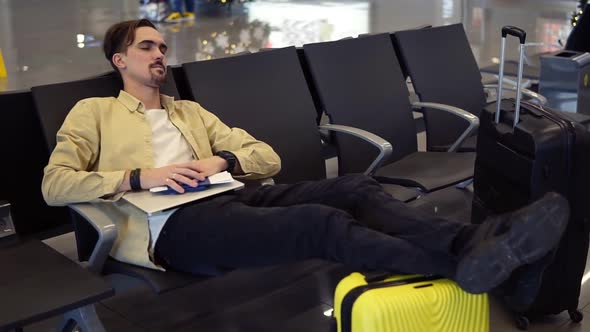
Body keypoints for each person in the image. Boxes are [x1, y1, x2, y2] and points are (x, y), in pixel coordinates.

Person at [42, 19, 568, 306]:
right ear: (120, 61)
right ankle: (475, 264)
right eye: (147, 47)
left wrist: (217, 160)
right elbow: (55, 184)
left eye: (162, 46)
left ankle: (476, 249)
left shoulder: (190, 112)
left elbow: (264, 157)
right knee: (319, 223)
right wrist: (141, 176)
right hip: (170, 225)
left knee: (356, 191)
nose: (160, 54)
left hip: (228, 193)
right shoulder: (94, 113)